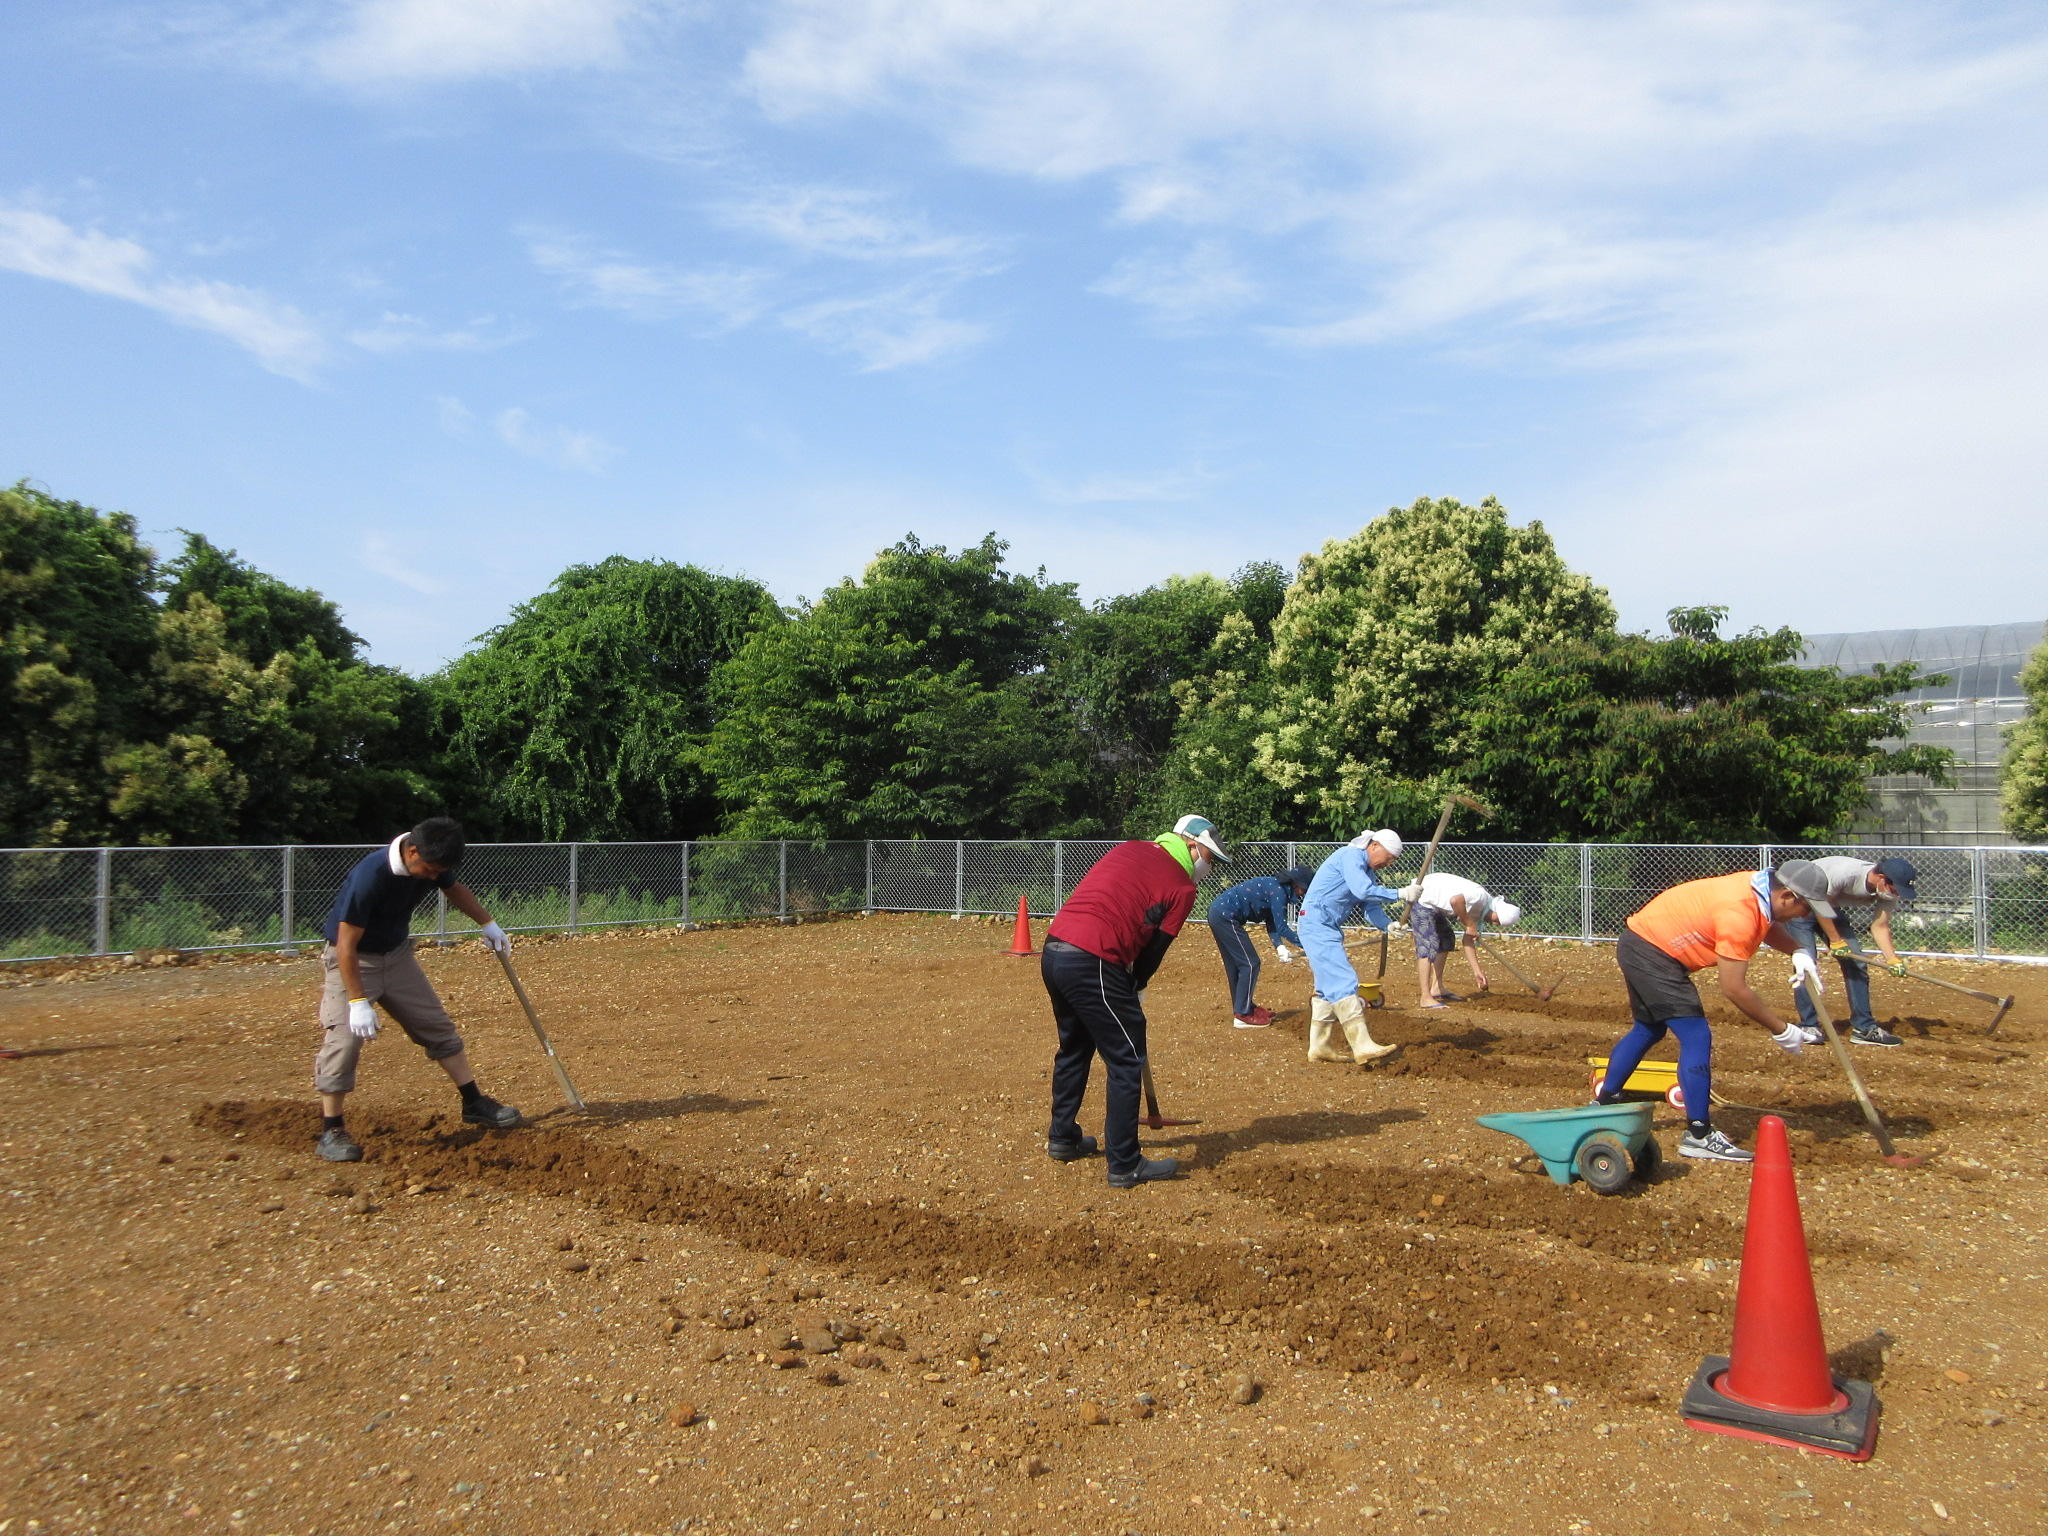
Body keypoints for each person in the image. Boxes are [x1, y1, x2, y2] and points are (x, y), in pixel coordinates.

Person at [1592, 860, 1832, 1163]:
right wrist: (1780, 1028)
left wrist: (1798, 950)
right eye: (1806, 909)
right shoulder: (1740, 913)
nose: (1806, 916)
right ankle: (1699, 1134)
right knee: (1696, 1036)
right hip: (1654, 953)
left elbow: (1766, 924)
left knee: (1649, 1029)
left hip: (1640, 941)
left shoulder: (1756, 887)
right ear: (1787, 896)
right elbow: (1734, 988)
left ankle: (1605, 1102)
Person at [312, 817, 522, 1162]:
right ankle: (331, 1130)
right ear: (412, 851)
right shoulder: (370, 876)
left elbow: (454, 888)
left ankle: (474, 1102)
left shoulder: (433, 864)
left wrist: (487, 923)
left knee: (437, 1027)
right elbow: (346, 944)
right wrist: (358, 1001)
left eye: (438, 870)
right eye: (428, 868)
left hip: (397, 958)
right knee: (344, 1040)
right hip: (353, 961)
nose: (431, 876)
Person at [1041, 815, 1229, 1188]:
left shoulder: (1131, 848)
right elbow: (1155, 949)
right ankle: (1125, 1163)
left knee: (1074, 1048)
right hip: (1094, 958)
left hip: (1055, 949)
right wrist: (1137, 982)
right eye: (1209, 855)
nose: (1209, 866)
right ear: (1190, 845)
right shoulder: (1181, 887)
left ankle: (1063, 1138)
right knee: (1127, 1059)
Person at [1780, 856, 1919, 1048]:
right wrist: (1836, 941)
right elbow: (1818, 901)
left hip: (1830, 908)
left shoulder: (1887, 892)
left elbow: (1880, 926)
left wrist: (1892, 959)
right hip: (1802, 903)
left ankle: (1864, 1028)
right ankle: (1808, 1026)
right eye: (1895, 888)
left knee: (1857, 962)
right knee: (1807, 964)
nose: (1896, 894)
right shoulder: (1844, 872)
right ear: (1880, 878)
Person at [1296, 830, 1406, 1064]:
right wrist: (1400, 893)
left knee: (1326, 990)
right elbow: (1362, 891)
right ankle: (1362, 1045)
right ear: (1374, 845)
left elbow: (1371, 907)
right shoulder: (1351, 857)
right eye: (1387, 858)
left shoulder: (1366, 869)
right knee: (1343, 980)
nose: (1387, 864)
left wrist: (1388, 925)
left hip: (1325, 925)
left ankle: (1320, 1046)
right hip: (1316, 923)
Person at [1203, 866, 1315, 1028]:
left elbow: (1272, 923)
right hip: (1226, 916)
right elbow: (1282, 928)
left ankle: (1244, 1006)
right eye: (1304, 890)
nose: (1302, 894)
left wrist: (1279, 946)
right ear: (1297, 885)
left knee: (1235, 964)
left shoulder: (1277, 888)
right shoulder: (1279, 893)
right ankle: (1242, 1014)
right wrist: (1307, 945)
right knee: (1250, 963)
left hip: (1219, 913)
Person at [1396, 871, 1523, 1007]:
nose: (1495, 924)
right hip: (1422, 897)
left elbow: (1467, 941)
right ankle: (1425, 997)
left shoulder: (1480, 911)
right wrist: (1469, 924)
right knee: (1427, 946)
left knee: (1446, 939)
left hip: (1435, 904)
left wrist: (1477, 971)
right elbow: (1455, 901)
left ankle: (1436, 987)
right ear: (1497, 911)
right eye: (1497, 920)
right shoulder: (1479, 897)